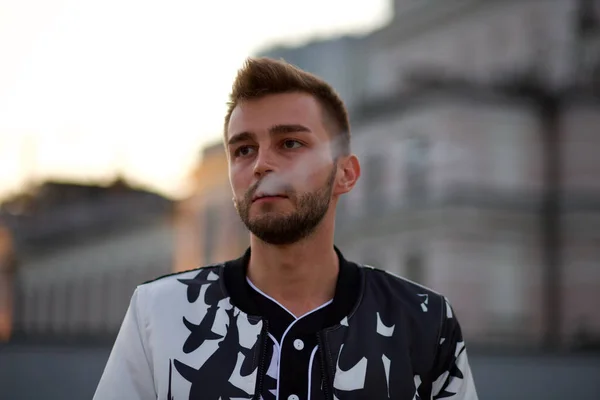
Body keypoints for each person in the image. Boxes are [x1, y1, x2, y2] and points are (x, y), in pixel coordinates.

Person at [94, 57, 478, 400]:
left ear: (345, 173)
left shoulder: (424, 321)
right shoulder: (159, 313)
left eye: (290, 143)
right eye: (243, 150)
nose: (261, 164)